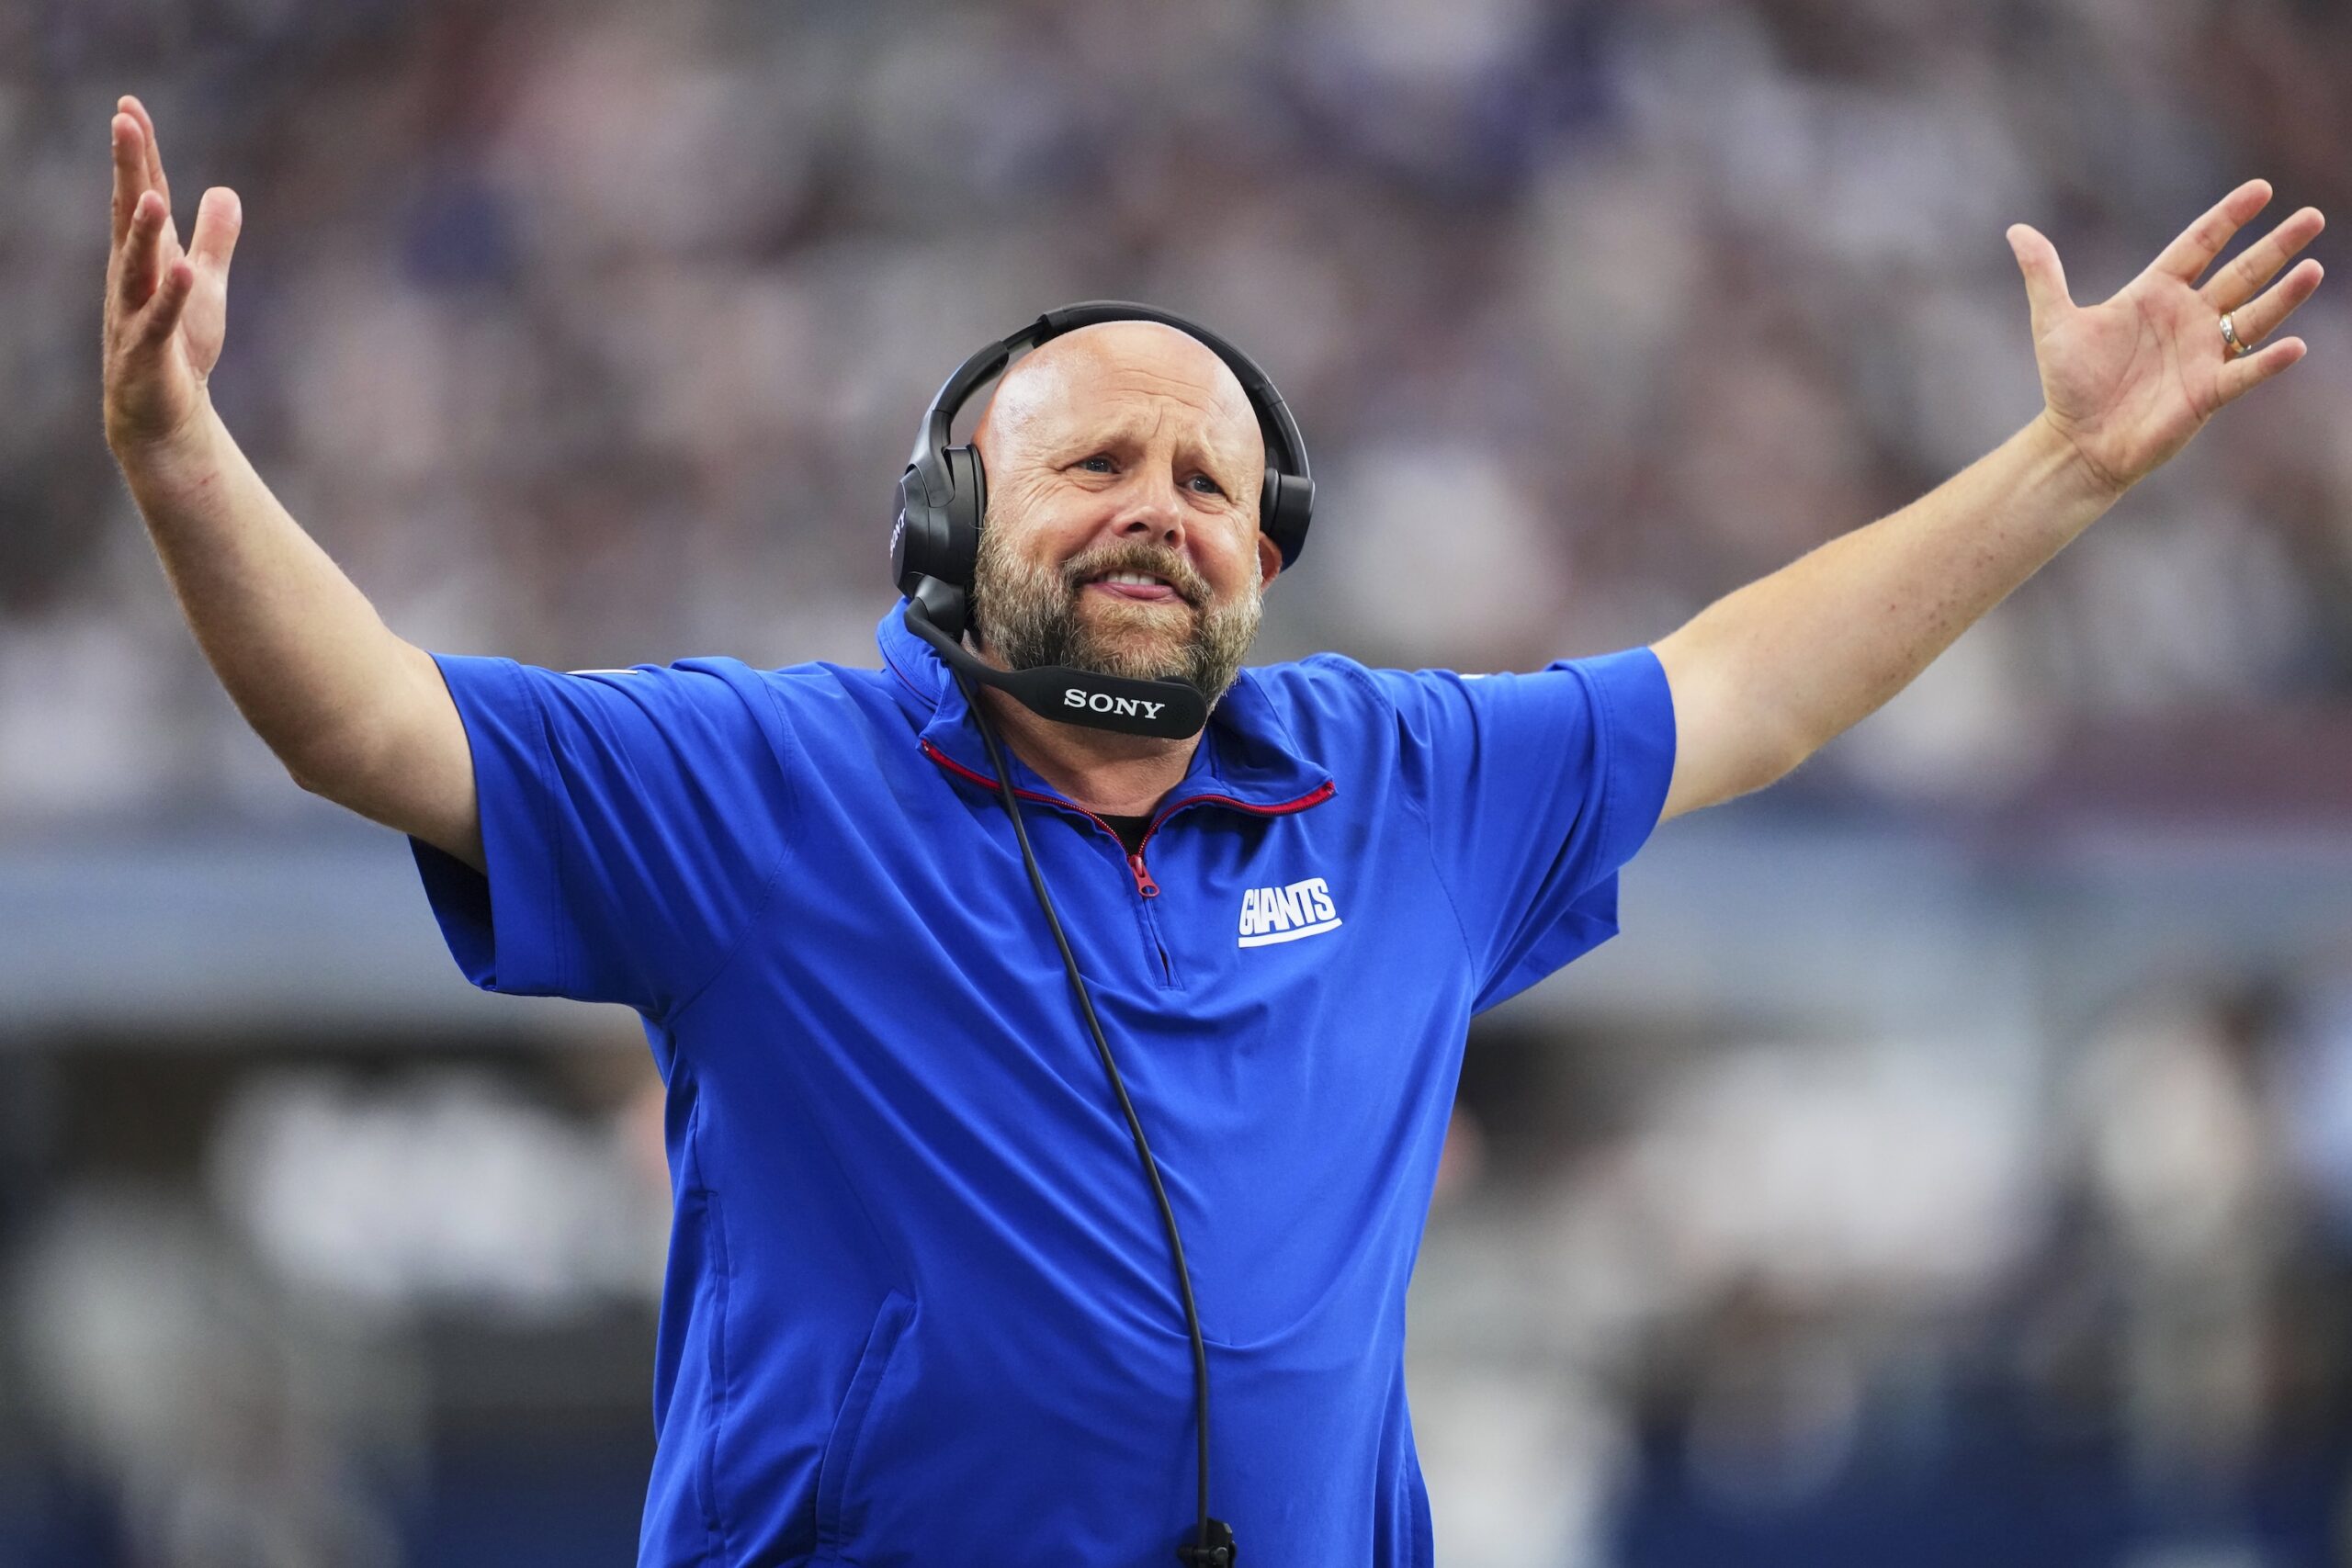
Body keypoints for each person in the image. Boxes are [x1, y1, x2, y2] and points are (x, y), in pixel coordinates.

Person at [97, 82, 2324, 1566]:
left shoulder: (1402, 778)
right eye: (1092, 463)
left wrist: (2056, 470)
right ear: (944, 523)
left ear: (1266, 556)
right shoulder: (760, 784)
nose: (1158, 504)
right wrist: (185, 459)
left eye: (1206, 479)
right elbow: (365, 722)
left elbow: (1742, 684)